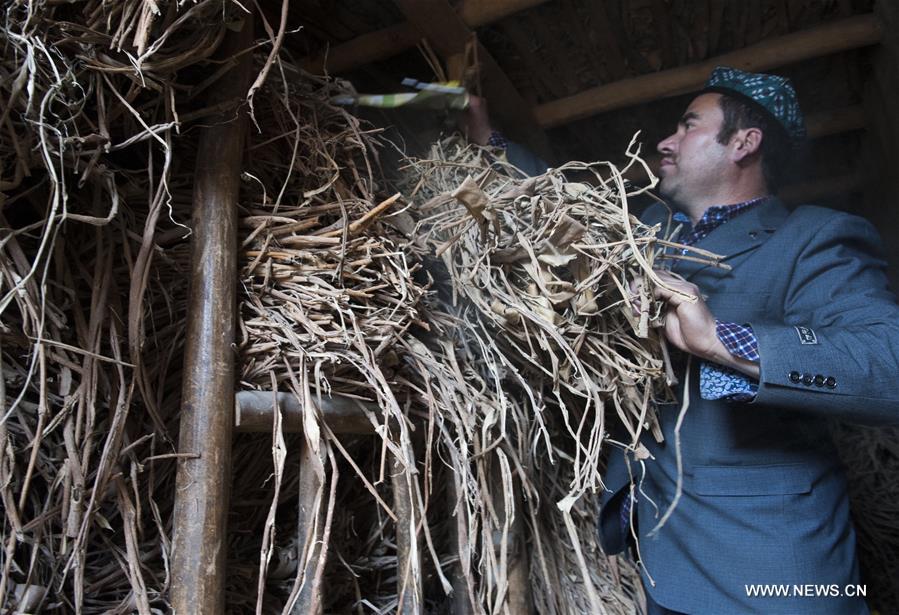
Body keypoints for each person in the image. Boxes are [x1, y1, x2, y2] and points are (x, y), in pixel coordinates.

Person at [595, 66, 899, 614]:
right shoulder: (644, 236)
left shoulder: (813, 238)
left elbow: (888, 365)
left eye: (688, 125)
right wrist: (484, 133)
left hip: (771, 570)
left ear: (743, 142)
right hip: (655, 560)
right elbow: (549, 202)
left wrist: (720, 340)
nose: (666, 141)